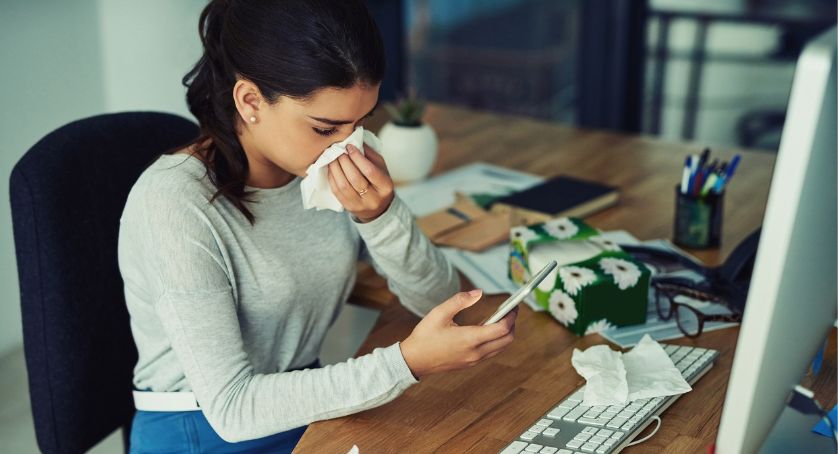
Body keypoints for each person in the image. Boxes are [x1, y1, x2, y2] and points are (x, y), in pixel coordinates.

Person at [117, 0, 518, 452]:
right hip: (204, 428)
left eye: (361, 122)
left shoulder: (323, 170)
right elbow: (231, 408)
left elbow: (442, 305)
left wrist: (380, 217)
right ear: (250, 101)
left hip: (308, 405)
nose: (348, 147)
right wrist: (406, 363)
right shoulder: (173, 205)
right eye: (326, 128)